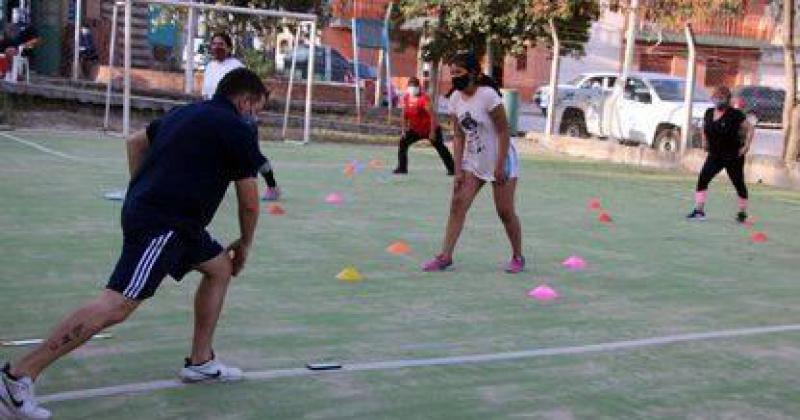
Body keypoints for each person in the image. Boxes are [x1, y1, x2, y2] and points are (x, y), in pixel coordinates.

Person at [0, 68, 269, 420]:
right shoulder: (236, 128)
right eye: (258, 109)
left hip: (172, 220)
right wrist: (245, 244)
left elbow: (135, 142)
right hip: (164, 224)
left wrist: (140, 189)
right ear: (245, 100)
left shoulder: (186, 111)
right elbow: (249, 202)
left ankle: (201, 361)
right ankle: (17, 378)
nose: (257, 117)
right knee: (118, 304)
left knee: (219, 268)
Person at [422, 51, 525, 274]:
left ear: (474, 73)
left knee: (505, 212)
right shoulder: (454, 99)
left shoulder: (488, 96)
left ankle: (517, 256)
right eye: (452, 73)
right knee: (457, 203)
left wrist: (499, 166)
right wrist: (457, 170)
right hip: (474, 161)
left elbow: (504, 132)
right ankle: (445, 256)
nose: (454, 78)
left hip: (501, 157)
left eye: (458, 73)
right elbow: (458, 136)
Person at [202, 32, 281, 201]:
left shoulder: (236, 66)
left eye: (221, 44)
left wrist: (250, 113)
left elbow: (250, 91)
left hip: (240, 118)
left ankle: (272, 186)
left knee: (252, 155)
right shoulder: (209, 67)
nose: (217, 47)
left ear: (229, 47)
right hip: (215, 118)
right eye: (214, 44)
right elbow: (207, 94)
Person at [687, 86, 754, 223]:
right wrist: (704, 142)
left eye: (722, 98)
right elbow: (705, 129)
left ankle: (742, 213)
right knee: (703, 179)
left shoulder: (735, 115)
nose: (719, 100)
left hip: (733, 155)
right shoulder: (709, 112)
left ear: (728, 100)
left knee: (738, 183)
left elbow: (750, 128)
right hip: (715, 155)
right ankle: (699, 211)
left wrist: (746, 146)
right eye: (716, 97)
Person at [393, 76, 455, 175]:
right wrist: (404, 130)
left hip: (430, 128)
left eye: (414, 86)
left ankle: (452, 169)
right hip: (416, 130)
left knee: (440, 148)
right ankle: (402, 168)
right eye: (410, 86)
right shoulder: (406, 98)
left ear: (418, 87)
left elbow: (433, 116)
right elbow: (404, 115)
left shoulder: (424, 99)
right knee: (403, 143)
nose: (412, 88)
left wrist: (433, 132)